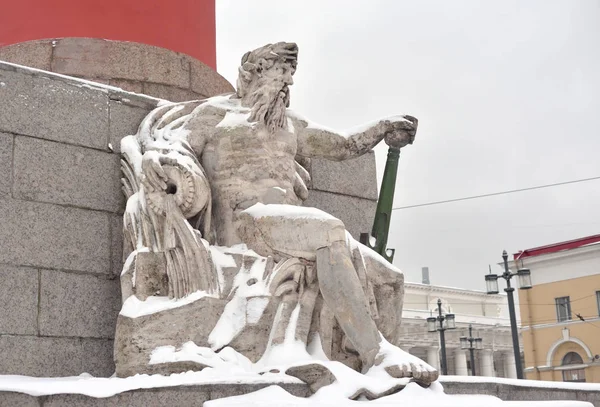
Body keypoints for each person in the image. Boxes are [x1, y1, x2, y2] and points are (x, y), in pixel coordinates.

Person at [140, 42, 437, 384]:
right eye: (281, 72)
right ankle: (377, 354)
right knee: (328, 229)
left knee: (391, 279)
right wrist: (154, 160)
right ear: (253, 74)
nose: (288, 83)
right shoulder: (214, 115)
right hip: (246, 221)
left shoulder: (291, 123)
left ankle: (390, 371)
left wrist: (382, 128)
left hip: (294, 226)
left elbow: (341, 145)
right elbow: (176, 149)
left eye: (291, 75)